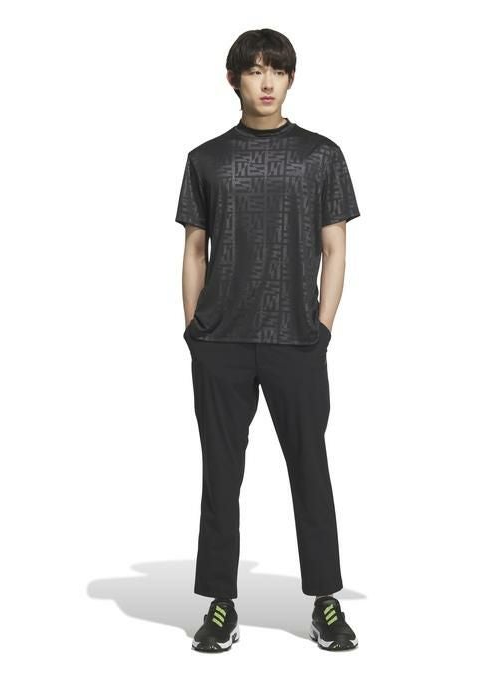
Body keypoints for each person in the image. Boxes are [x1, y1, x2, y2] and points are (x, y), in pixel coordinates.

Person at [175, 28, 360, 652]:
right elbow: (194, 249)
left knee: (310, 468)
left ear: (290, 78)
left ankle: (326, 601)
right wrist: (195, 329)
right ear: (234, 80)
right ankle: (219, 604)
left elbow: (335, 247)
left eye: (275, 70)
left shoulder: (320, 156)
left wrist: (322, 326)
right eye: (254, 70)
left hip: (296, 340)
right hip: (221, 341)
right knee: (221, 473)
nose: (265, 81)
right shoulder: (206, 159)